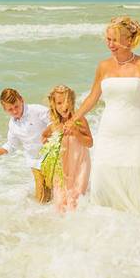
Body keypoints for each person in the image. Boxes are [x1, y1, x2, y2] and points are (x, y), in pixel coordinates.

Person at [68, 16, 140, 216]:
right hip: (109, 132)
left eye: (114, 40)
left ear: (129, 41)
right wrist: (74, 118)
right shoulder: (103, 66)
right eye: (108, 39)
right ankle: (108, 227)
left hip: (137, 133)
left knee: (135, 176)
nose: (110, 44)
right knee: (104, 176)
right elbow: (92, 97)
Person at [0, 88, 52, 203]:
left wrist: (47, 133)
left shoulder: (37, 110)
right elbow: (11, 145)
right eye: (10, 109)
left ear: (22, 100)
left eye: (16, 106)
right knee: (42, 197)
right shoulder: (13, 124)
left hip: (51, 156)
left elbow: (55, 122)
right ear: (5, 110)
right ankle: (42, 216)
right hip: (34, 161)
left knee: (55, 188)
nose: (15, 111)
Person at [39, 85, 92, 213]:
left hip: (80, 165)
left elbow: (90, 143)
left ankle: (79, 229)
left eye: (67, 101)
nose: (64, 106)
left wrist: (76, 132)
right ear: (54, 106)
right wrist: (47, 143)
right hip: (62, 169)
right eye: (59, 103)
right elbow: (44, 136)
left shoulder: (80, 121)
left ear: (72, 102)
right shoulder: (55, 125)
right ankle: (62, 232)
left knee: (75, 201)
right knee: (60, 204)